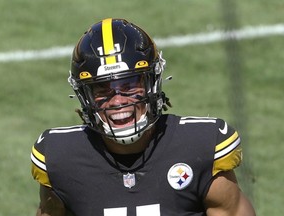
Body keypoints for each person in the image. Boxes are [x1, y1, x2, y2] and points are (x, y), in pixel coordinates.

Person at [30, 18, 256, 216]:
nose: (118, 101)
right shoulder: (61, 158)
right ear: (84, 96)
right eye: (101, 89)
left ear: (152, 83)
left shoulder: (200, 147)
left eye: (129, 85)